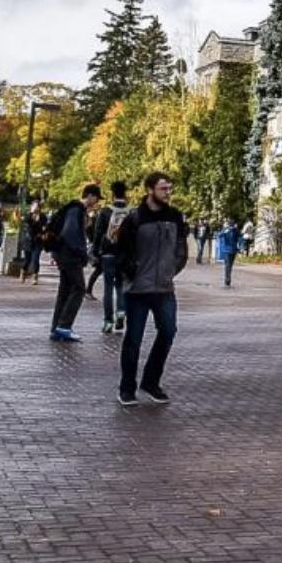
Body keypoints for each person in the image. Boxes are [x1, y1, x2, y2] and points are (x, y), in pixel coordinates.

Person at [116, 172, 189, 405]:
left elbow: (181, 249)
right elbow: (122, 251)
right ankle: (127, 388)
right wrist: (131, 272)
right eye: (163, 189)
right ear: (149, 190)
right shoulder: (135, 219)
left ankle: (151, 381)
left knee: (168, 331)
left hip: (164, 288)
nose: (168, 193)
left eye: (169, 188)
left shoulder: (175, 217)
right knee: (133, 339)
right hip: (138, 289)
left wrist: (172, 269)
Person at [48, 183, 104, 342]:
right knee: (79, 288)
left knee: (65, 290)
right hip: (70, 256)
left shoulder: (73, 209)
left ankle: (56, 328)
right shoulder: (76, 210)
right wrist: (81, 252)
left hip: (63, 254)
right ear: (90, 196)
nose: (96, 202)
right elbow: (70, 233)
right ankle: (64, 326)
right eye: (96, 198)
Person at [90, 181, 131, 334]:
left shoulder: (106, 211)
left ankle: (108, 321)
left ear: (112, 194)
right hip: (124, 254)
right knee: (121, 284)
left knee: (108, 287)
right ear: (125, 194)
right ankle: (121, 311)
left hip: (108, 253)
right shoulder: (130, 212)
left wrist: (95, 252)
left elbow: (98, 233)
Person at [22, 202, 47, 284]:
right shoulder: (28, 216)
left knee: (35, 259)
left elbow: (44, 227)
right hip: (28, 240)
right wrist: (31, 215)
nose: (36, 209)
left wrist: (44, 234)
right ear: (31, 207)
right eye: (35, 207)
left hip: (38, 241)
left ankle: (35, 277)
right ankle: (23, 272)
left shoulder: (43, 216)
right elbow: (27, 224)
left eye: (38, 207)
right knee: (27, 260)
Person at [215, 217, 241, 288]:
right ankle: (227, 279)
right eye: (230, 224)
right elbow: (219, 235)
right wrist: (225, 231)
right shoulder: (225, 230)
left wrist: (239, 247)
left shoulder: (236, 230)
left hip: (233, 250)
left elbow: (239, 238)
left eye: (232, 224)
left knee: (230, 265)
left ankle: (228, 278)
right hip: (226, 250)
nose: (231, 226)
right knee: (227, 265)